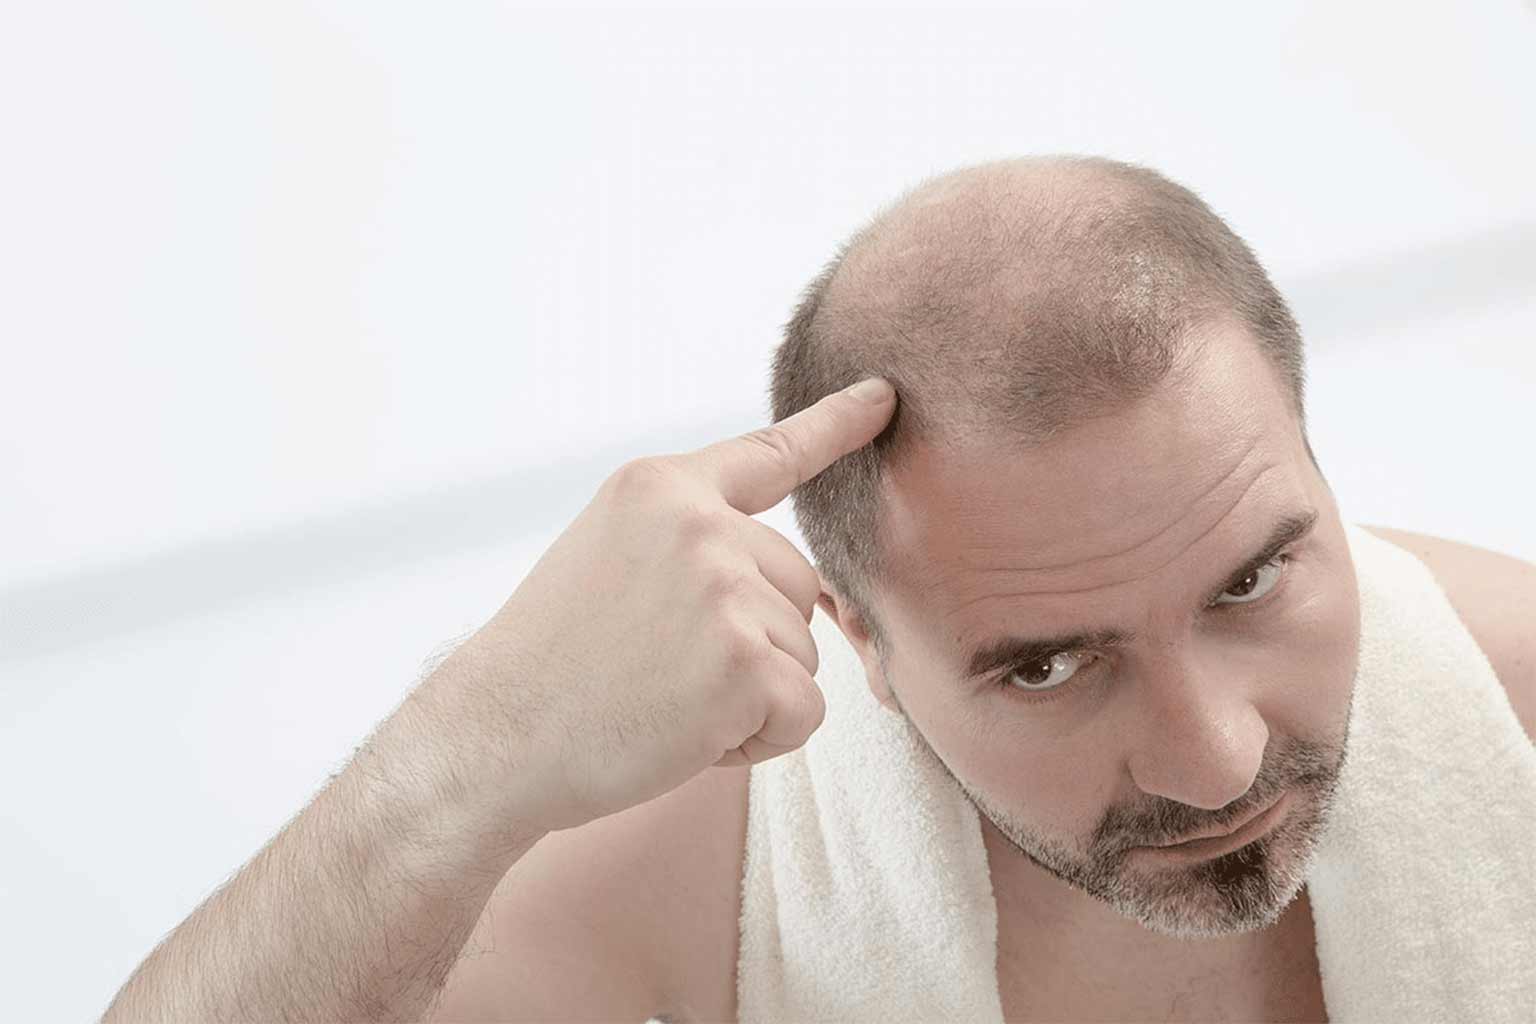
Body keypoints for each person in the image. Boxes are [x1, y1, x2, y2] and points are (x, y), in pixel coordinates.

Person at [101, 156, 1536, 1023]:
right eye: (1046, 665)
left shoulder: (1517, 697)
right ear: (866, 648)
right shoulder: (703, 864)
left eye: (1252, 581)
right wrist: (475, 736)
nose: (1216, 760)